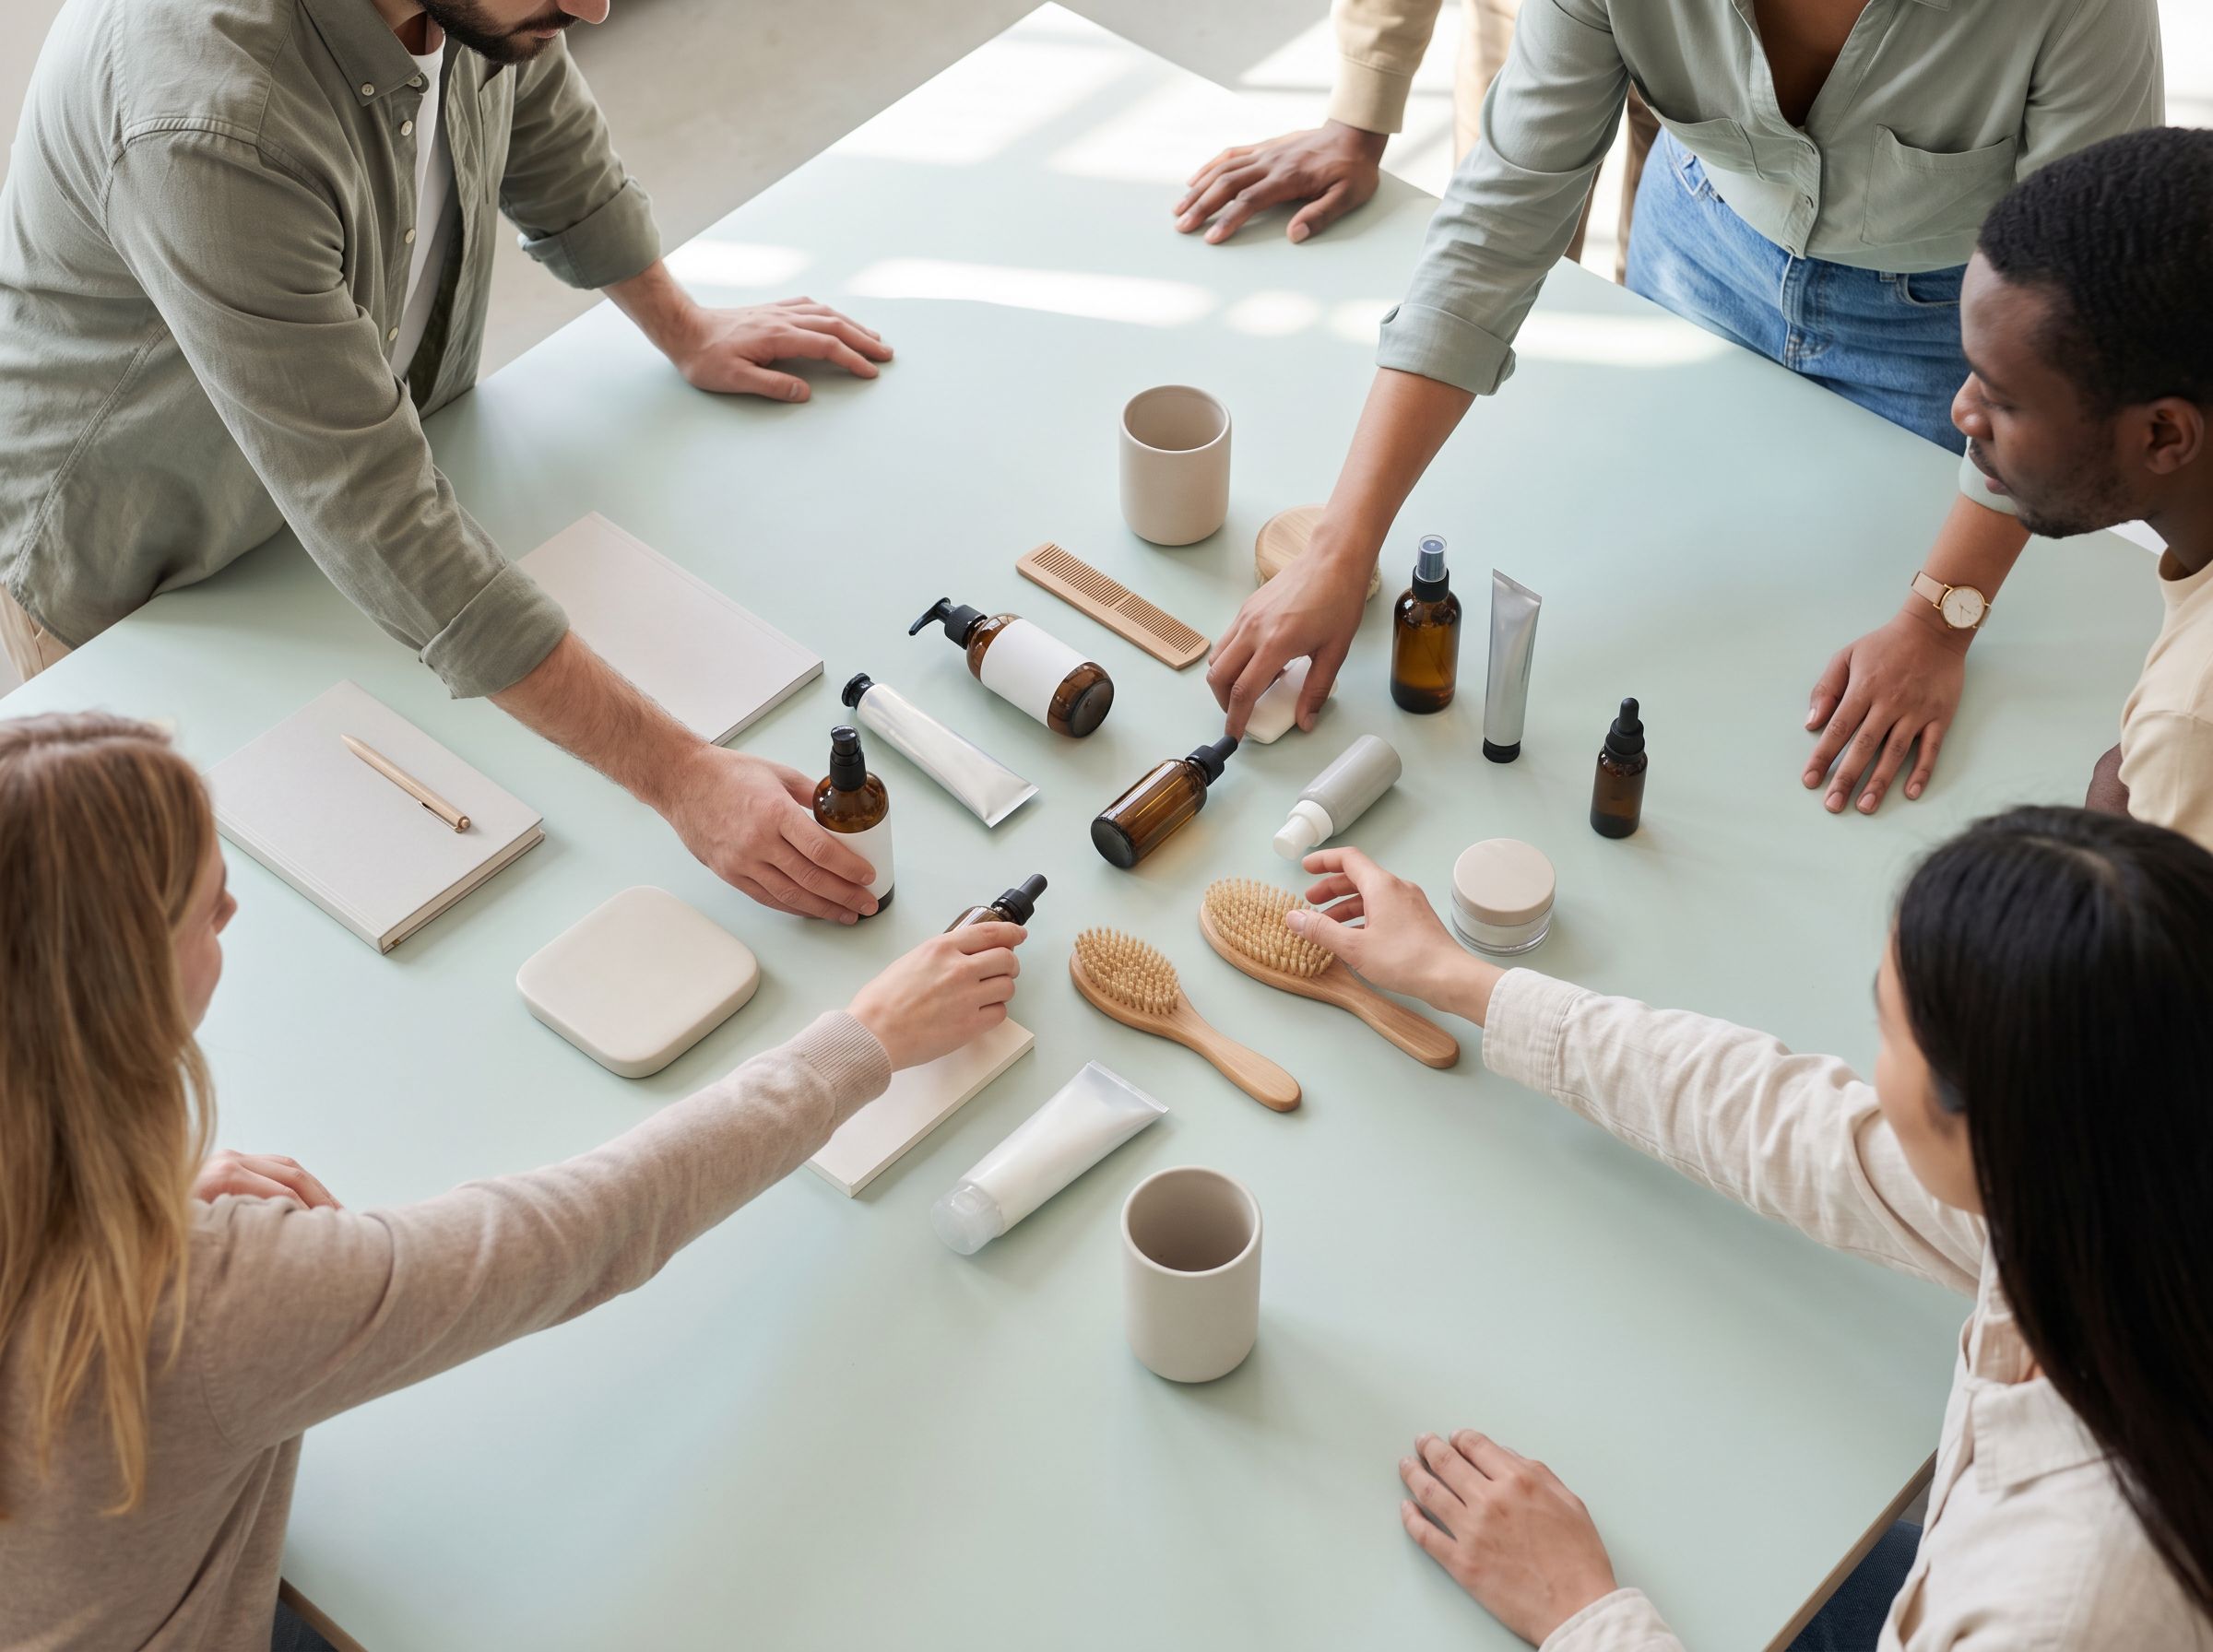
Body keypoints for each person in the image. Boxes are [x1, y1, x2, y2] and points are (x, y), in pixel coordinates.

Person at [0, 711, 1027, 1648]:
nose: (233, 899)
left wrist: (159, 1204)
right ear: (119, 990)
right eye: (203, 907)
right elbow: (581, 1233)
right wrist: (865, 1041)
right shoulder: (198, 1309)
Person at [0, 0, 896, 925]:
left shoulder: (486, 9)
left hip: (327, 512)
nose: (593, 7)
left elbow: (538, 117)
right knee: (201, 930)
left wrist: (683, 325)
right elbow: (373, 511)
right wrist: (682, 776)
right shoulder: (206, 116)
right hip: (141, 584)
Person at [1205, 0, 2163, 823]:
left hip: (1949, 340)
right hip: (1702, 249)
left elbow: (2075, 325)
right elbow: (1500, 218)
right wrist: (1343, 541)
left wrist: (1940, 621)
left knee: (1808, 658)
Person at [1274, 819, 2213, 1648]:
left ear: (1989, 1126)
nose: (1864, 1069)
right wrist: (1464, 981)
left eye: (1885, 1031)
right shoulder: (2123, 1172)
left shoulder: (2062, 1608)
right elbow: (1794, 1126)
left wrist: (1579, 1609)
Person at [1931, 129, 2213, 848]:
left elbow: (2161, 963)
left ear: (2162, 437)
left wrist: (2111, 844)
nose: (1964, 411)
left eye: (2004, 398)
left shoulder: (2191, 718)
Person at [1174, 0, 1656, 280]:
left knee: (1659, 291)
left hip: (1713, 48)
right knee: (1491, 268)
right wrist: (1360, 114)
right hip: (1524, 24)